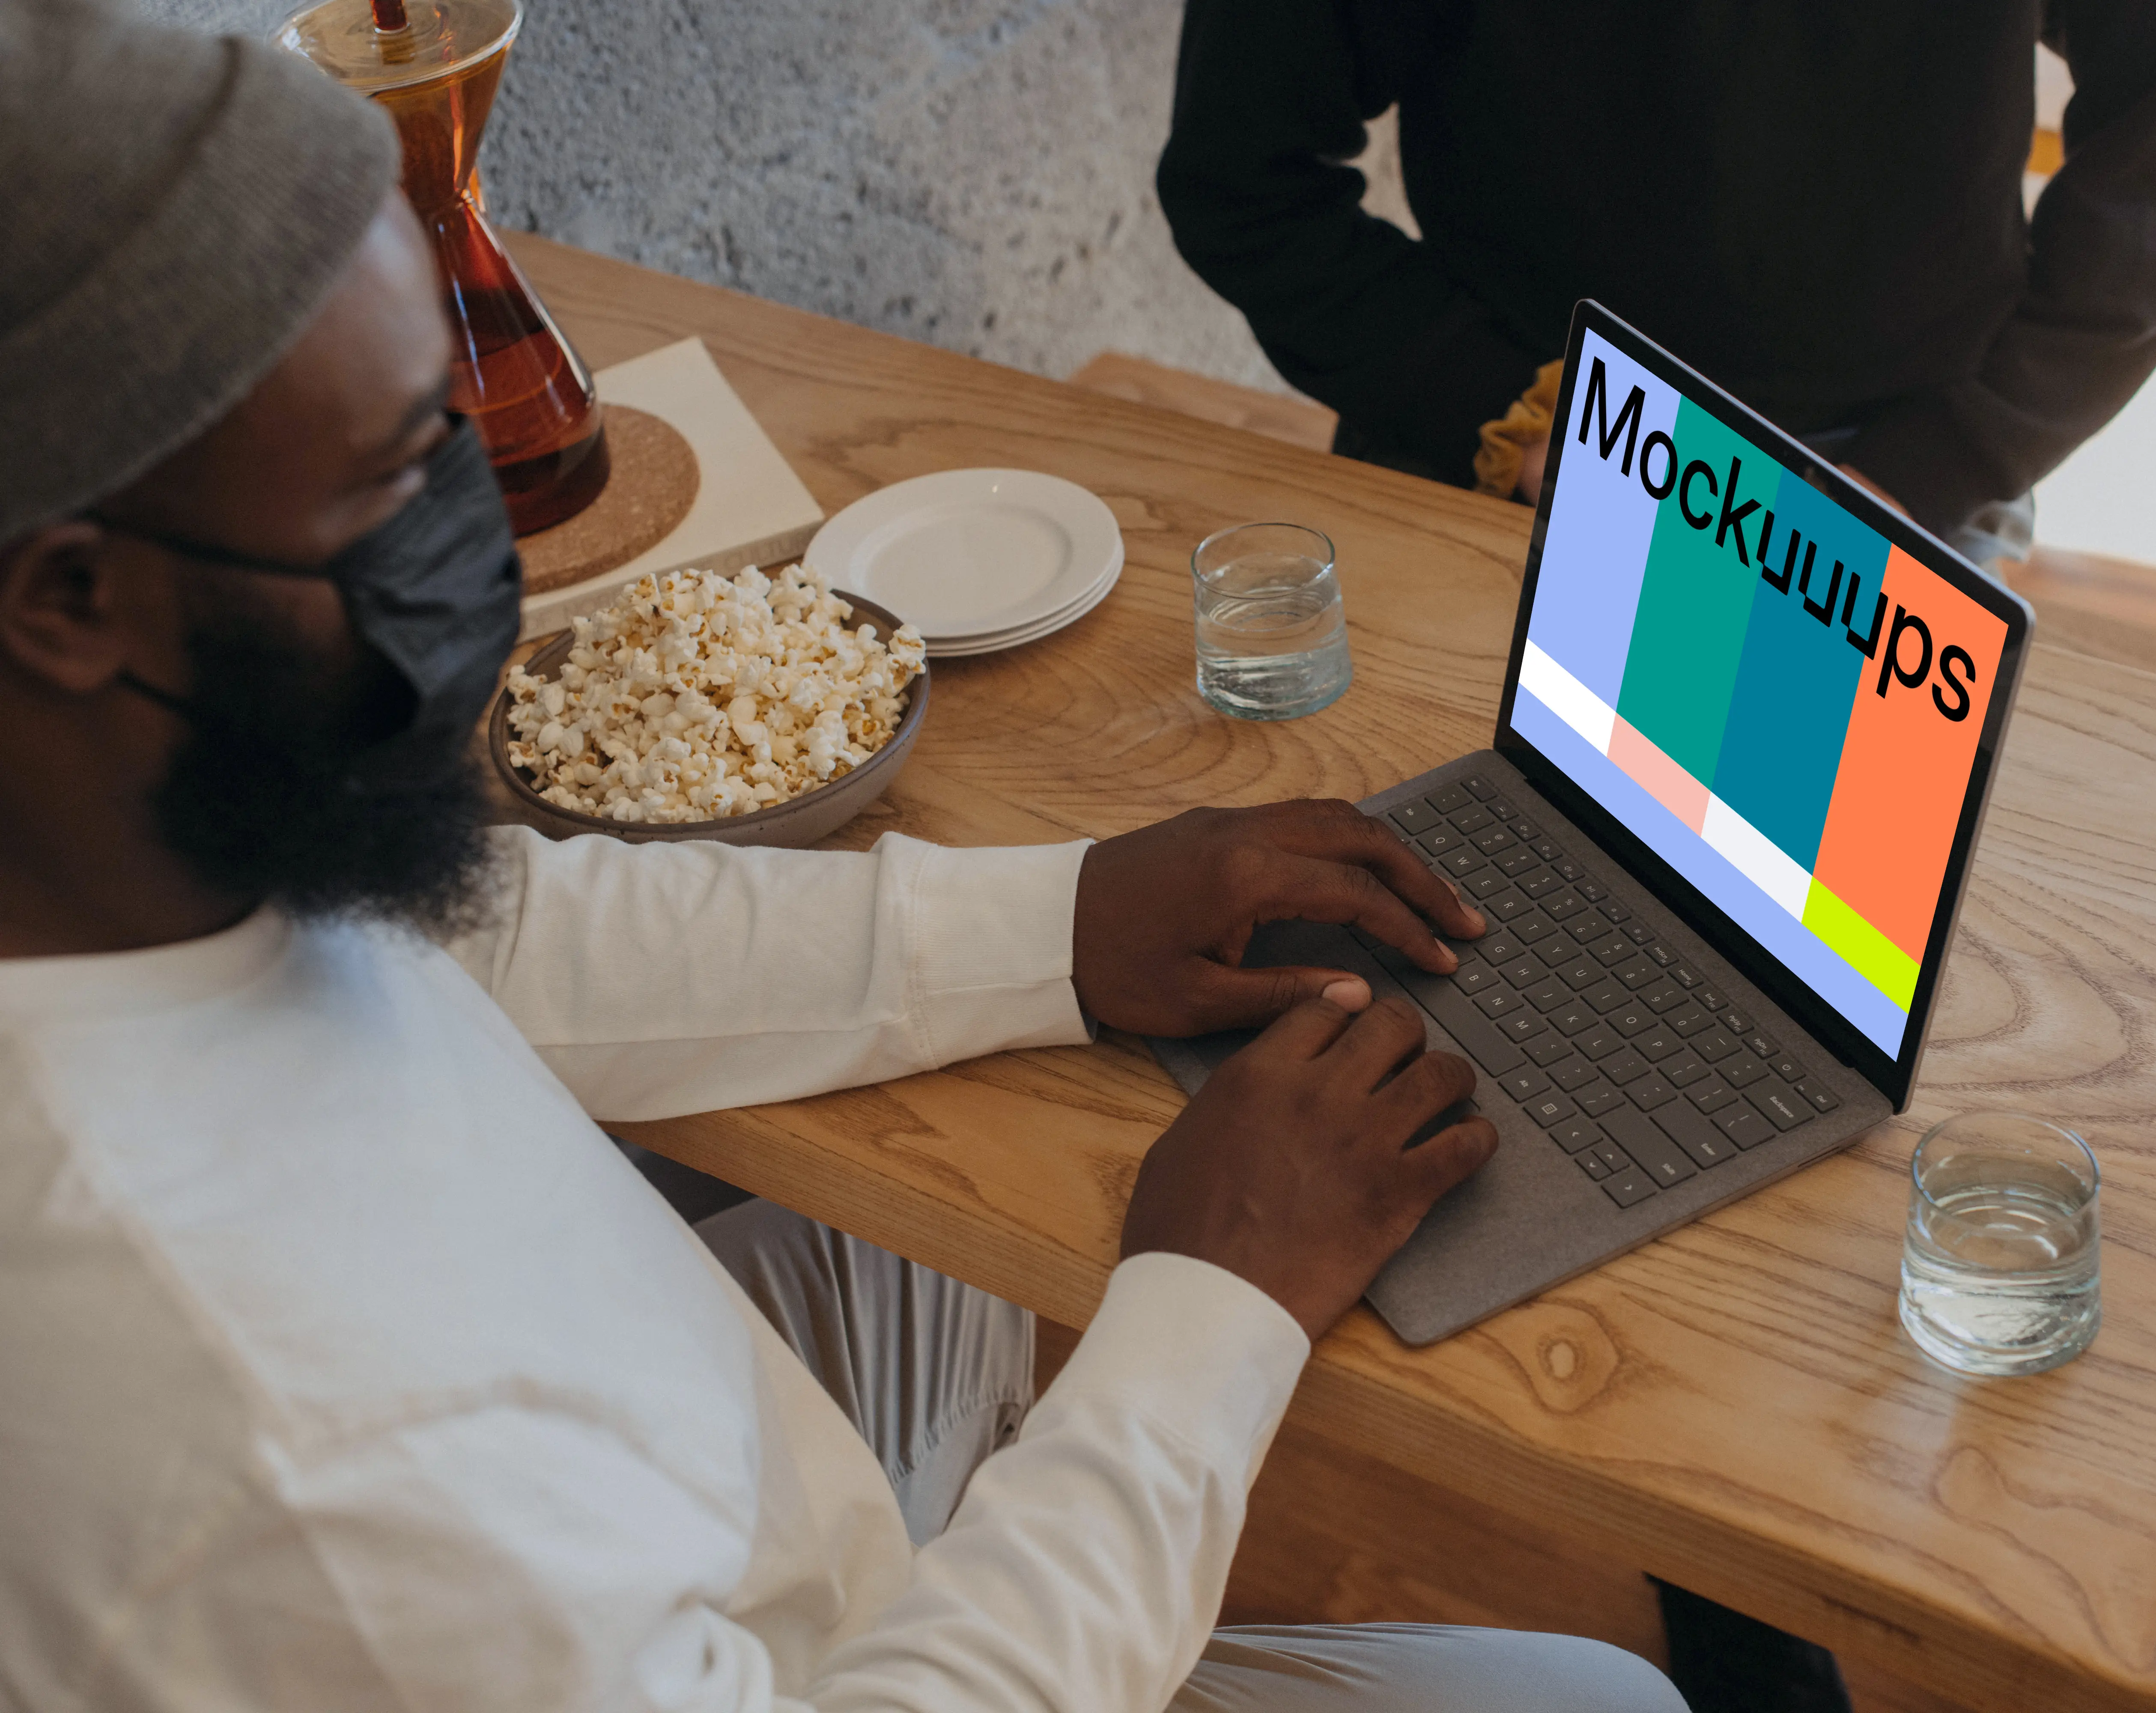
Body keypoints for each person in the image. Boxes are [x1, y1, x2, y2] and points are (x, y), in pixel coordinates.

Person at [0, 5, 1688, 1709]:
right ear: (74, 599)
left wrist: (1072, 916)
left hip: (716, 1482)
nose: (484, 514)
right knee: (1606, 1699)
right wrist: (1212, 1303)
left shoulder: (116, 849)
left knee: (948, 1222)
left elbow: (489, 931)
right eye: (392, 477)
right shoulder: (292, 1475)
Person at [1158, 0, 2156, 572]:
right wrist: (1515, 420)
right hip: (1509, 445)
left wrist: (1935, 467)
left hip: (1900, 470)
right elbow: (1243, 178)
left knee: (1818, 964)